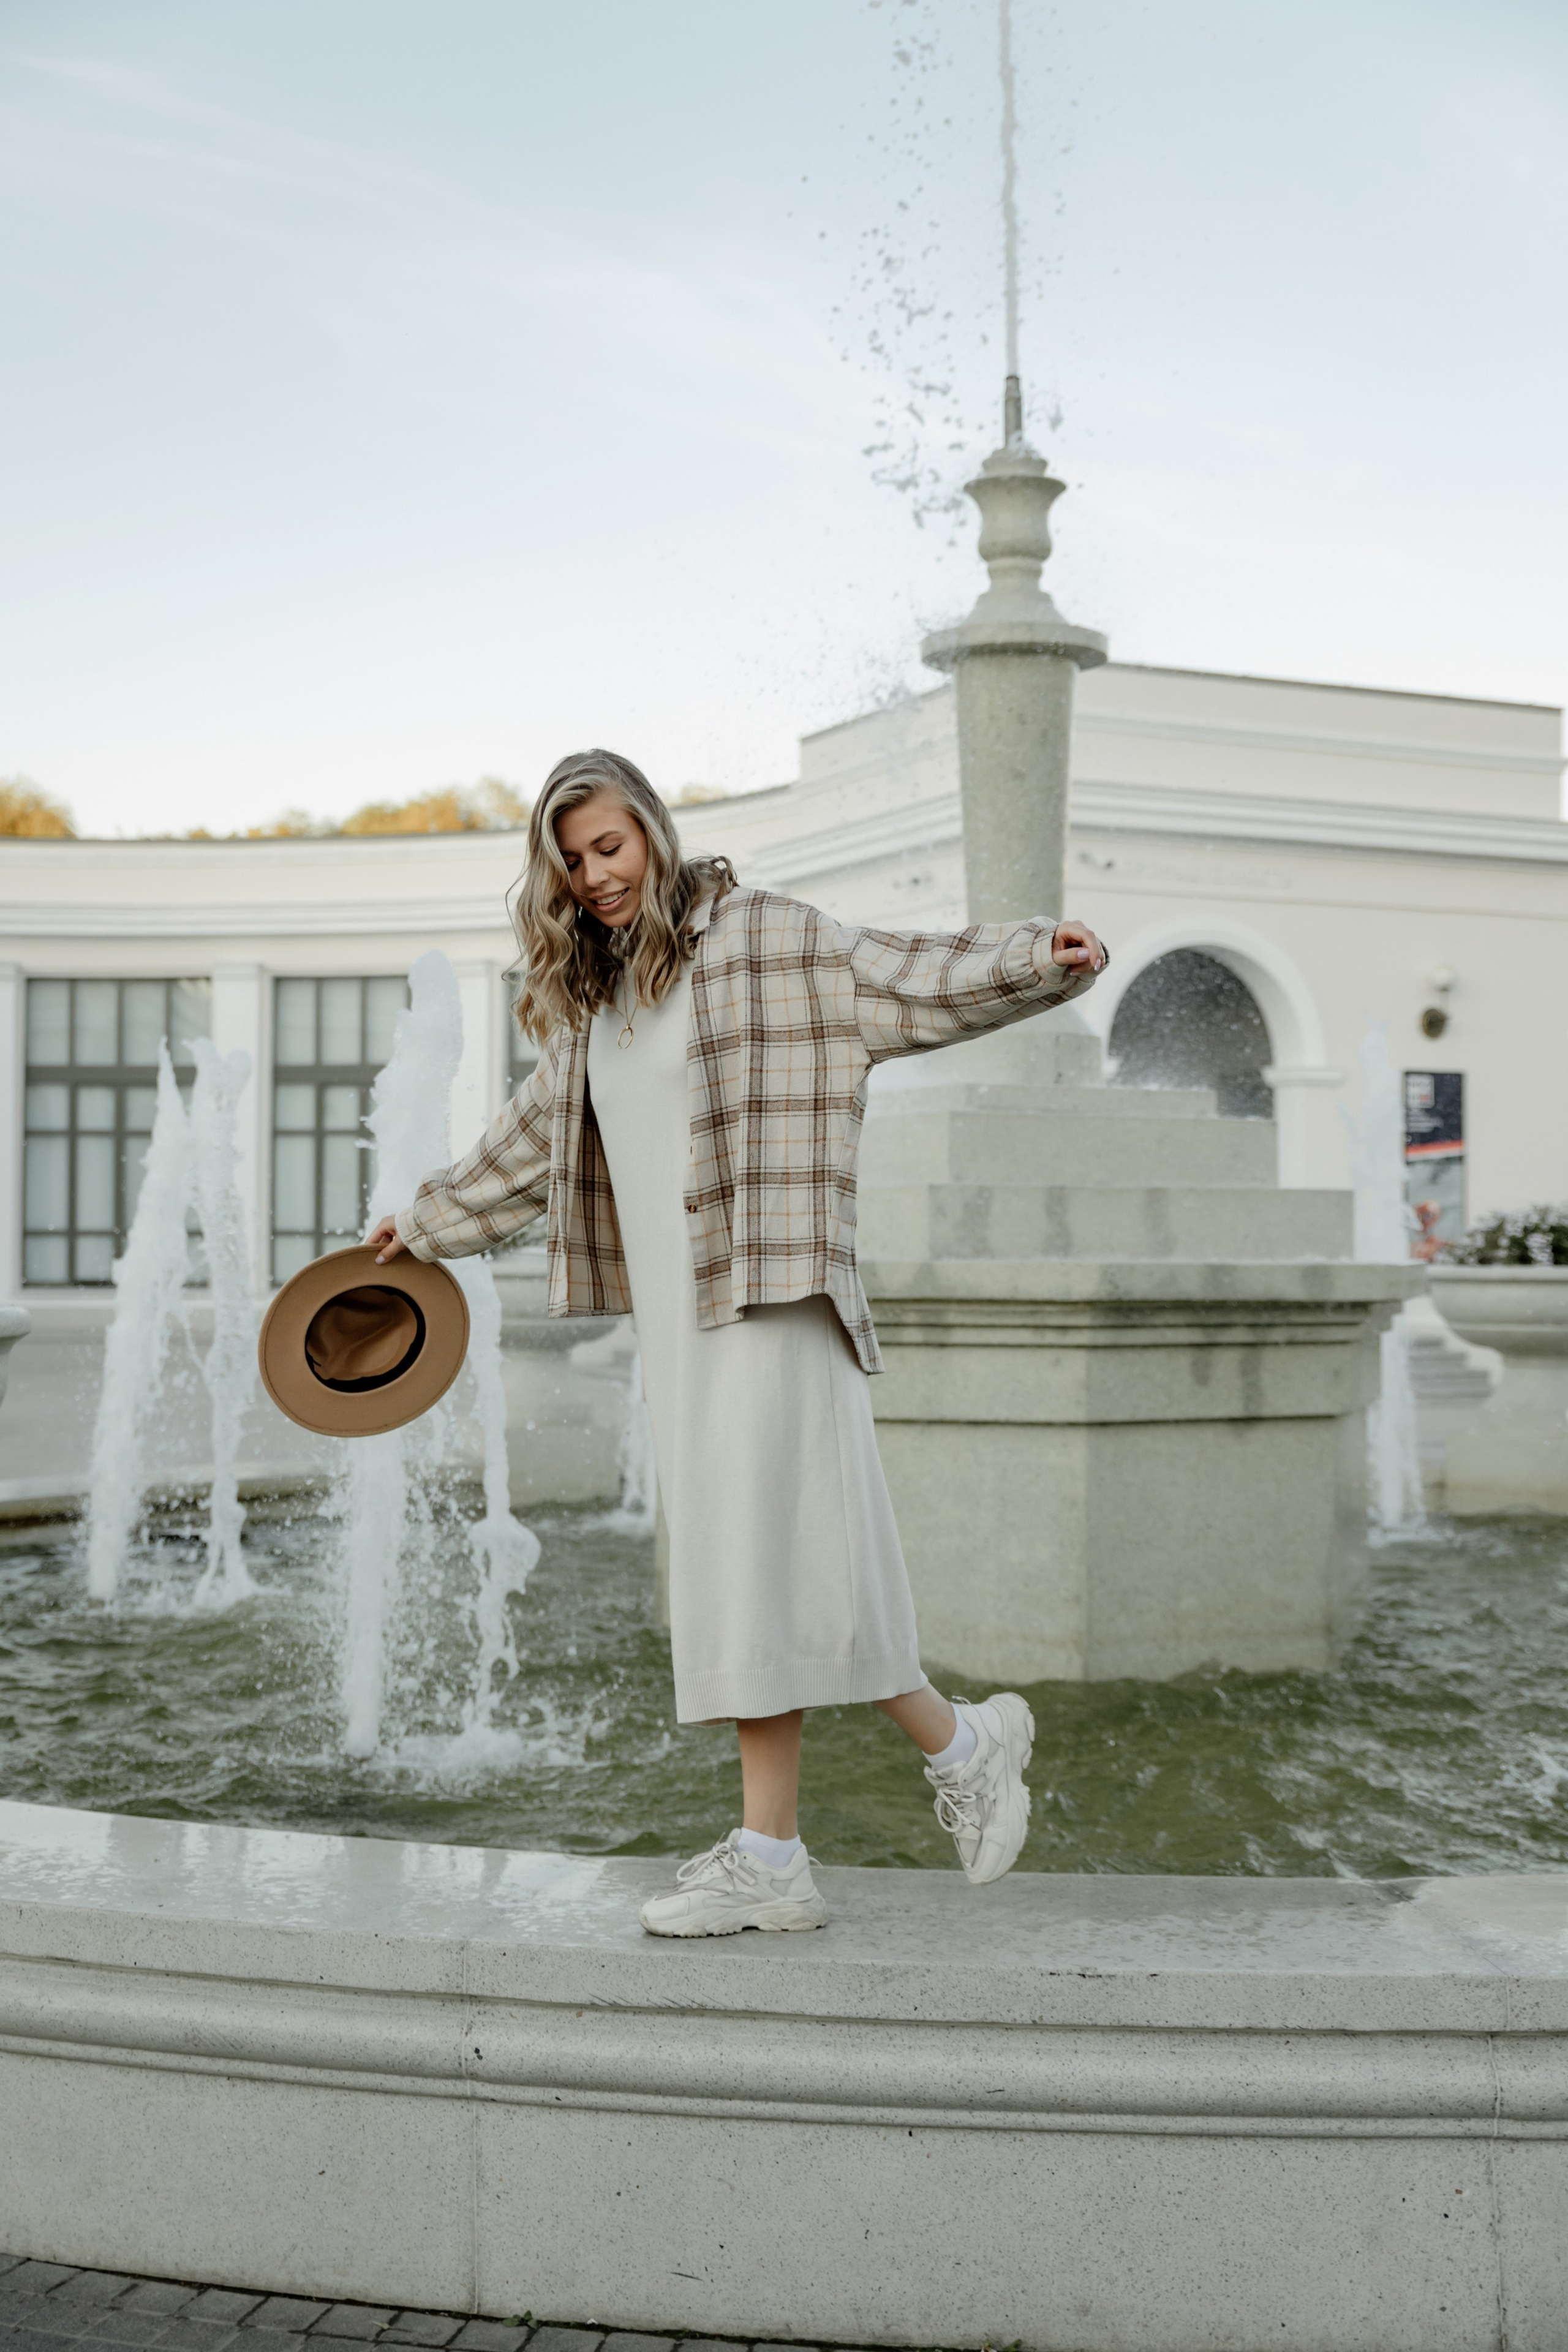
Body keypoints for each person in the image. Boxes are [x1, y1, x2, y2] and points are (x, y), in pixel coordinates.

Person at [369, 748, 1106, 1938]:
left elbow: (900, 976)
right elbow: (524, 1147)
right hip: (681, 1325)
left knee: (760, 1569)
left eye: (608, 846)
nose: (595, 875)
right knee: (776, 1570)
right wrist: (428, 1219)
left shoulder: (764, 940)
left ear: (651, 833)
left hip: (768, 1289)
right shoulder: (599, 1000)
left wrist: (1031, 958)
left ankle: (781, 1850)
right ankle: (959, 1744)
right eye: (570, 861)